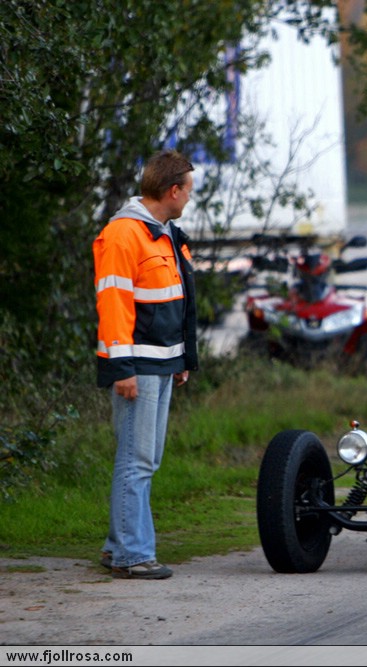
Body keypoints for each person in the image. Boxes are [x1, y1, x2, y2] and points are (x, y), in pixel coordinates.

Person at [93, 149, 199, 580]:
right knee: (136, 461)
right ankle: (133, 555)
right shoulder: (124, 234)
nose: (190, 197)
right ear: (173, 190)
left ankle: (118, 547)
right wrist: (122, 369)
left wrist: (182, 357)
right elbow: (113, 303)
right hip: (137, 365)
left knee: (146, 460)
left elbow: (179, 302)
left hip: (162, 362)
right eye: (188, 190)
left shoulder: (165, 233)